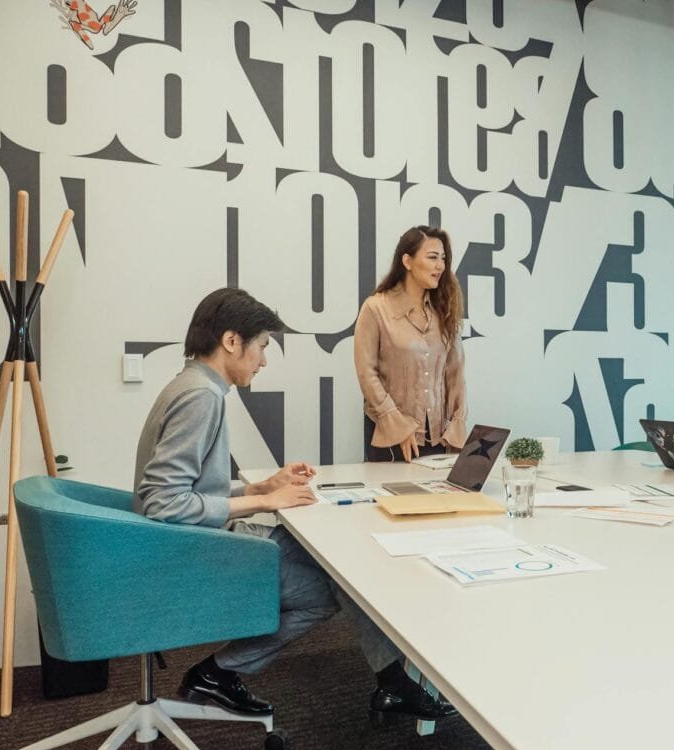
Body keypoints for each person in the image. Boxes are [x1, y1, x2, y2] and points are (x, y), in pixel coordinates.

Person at [133, 287, 453, 721]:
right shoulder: (200, 397)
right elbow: (163, 503)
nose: (263, 360)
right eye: (262, 346)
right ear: (232, 342)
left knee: (335, 560)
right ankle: (220, 671)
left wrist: (260, 487)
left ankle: (393, 683)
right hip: (195, 554)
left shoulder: (190, 385)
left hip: (194, 541)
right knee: (334, 585)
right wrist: (265, 499)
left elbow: (185, 490)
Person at [354, 225, 467, 462]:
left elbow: (455, 375)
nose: (441, 266)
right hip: (392, 440)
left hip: (440, 439)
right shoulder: (376, 308)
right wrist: (398, 427)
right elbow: (367, 374)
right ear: (407, 261)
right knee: (395, 498)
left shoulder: (445, 311)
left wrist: (456, 426)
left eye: (443, 259)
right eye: (433, 257)